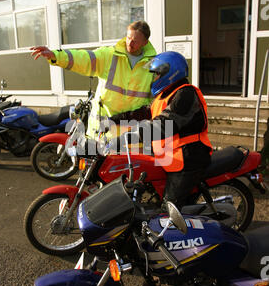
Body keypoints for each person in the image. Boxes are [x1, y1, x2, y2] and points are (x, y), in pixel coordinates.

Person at [108, 51, 213, 210]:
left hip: (189, 158)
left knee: (169, 208)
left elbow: (163, 125)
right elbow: (145, 112)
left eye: (156, 74)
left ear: (169, 73)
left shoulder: (185, 95)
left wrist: (127, 138)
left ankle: (175, 230)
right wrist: (116, 119)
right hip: (171, 156)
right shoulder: (166, 94)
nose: (154, 78)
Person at [30, 21, 156, 138]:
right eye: (128, 38)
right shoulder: (110, 55)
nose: (130, 43)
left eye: (135, 41)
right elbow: (82, 58)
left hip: (131, 133)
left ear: (145, 43)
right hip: (101, 131)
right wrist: (56, 56)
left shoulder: (153, 64)